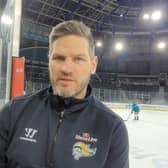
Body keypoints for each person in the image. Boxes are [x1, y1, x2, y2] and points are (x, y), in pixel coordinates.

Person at [0, 20, 129, 168]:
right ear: (49, 61)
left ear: (93, 65)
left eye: (78, 59)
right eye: (58, 58)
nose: (66, 68)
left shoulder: (112, 128)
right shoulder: (14, 111)